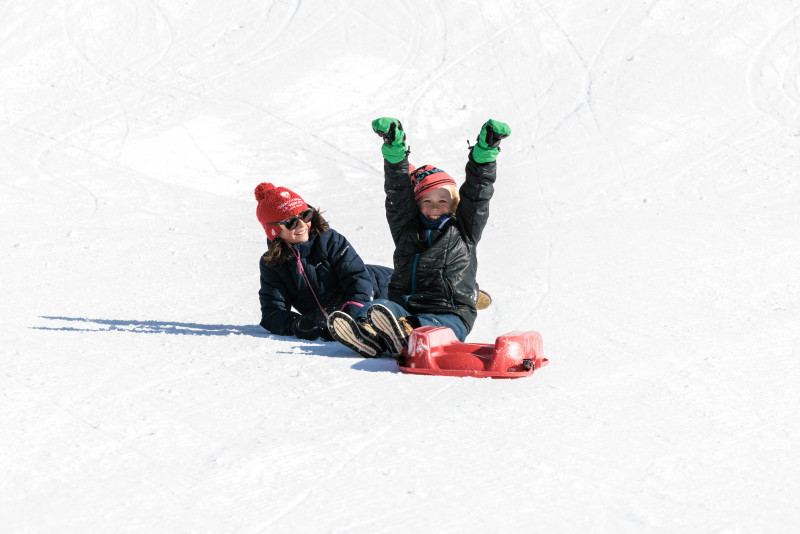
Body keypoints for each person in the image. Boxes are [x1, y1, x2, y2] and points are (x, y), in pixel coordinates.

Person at [327, 117, 510, 358]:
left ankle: (402, 333)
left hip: (450, 312)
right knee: (375, 307)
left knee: (435, 326)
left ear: (453, 202)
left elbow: (478, 194)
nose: (435, 207)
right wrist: (395, 151)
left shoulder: (465, 229)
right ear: (417, 203)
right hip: (403, 308)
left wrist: (484, 153)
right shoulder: (406, 229)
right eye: (427, 201)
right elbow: (398, 192)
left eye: (442, 201)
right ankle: (368, 334)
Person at [255, 182, 392, 341]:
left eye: (305, 215)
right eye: (291, 222)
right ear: (274, 231)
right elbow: (272, 311)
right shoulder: (272, 264)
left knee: (419, 309)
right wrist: (296, 324)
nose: (301, 225)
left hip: (385, 288)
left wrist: (349, 319)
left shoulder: (329, 240)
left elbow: (358, 280)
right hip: (344, 316)